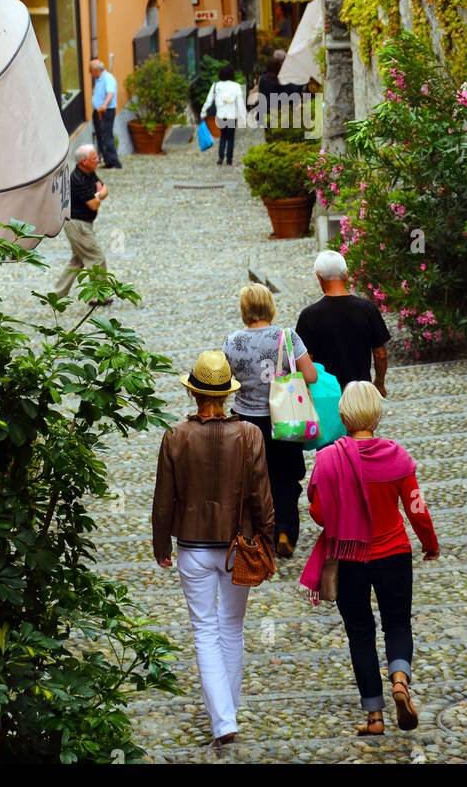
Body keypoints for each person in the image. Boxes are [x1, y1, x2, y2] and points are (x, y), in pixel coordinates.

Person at [300, 381, 440, 736]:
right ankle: (399, 679)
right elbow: (416, 508)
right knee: (397, 623)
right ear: (376, 414)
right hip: (394, 553)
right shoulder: (397, 456)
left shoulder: (329, 458)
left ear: (343, 415)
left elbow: (318, 513)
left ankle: (374, 718)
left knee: (360, 633)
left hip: (349, 558)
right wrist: (429, 543)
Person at [152, 350, 274, 746]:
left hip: (192, 546)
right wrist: (268, 539)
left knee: (205, 630)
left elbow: (163, 499)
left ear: (193, 393)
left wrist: (160, 544)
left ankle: (224, 721)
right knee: (232, 628)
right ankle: (227, 715)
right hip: (239, 545)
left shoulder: (175, 437)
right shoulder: (250, 435)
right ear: (227, 394)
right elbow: (262, 496)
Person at [223, 283, 317, 560]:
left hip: (246, 421)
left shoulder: (232, 341)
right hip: (284, 419)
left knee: (253, 479)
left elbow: (224, 381)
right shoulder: (287, 337)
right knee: (286, 478)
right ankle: (285, 530)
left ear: (244, 310)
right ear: (270, 307)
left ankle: (258, 534)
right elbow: (310, 375)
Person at [296, 251, 391, 397]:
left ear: (319, 277)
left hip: (325, 395)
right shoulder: (367, 309)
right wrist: (379, 382)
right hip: (361, 391)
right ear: (346, 274)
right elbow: (381, 354)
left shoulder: (308, 316)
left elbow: (305, 361)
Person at [54, 144, 110, 297]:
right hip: (78, 225)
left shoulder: (89, 172)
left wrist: (98, 194)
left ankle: (57, 294)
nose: (98, 160)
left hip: (83, 223)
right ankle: (98, 296)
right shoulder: (76, 179)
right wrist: (98, 195)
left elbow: (105, 189)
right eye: (94, 158)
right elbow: (94, 204)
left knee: (77, 261)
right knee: (97, 258)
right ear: (84, 161)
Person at [201, 63, 246, 167]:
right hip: (231, 116)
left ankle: (221, 158)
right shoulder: (236, 86)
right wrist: (243, 118)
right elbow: (240, 104)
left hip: (220, 116)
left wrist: (203, 112)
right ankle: (229, 160)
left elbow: (208, 101)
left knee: (223, 137)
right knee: (230, 138)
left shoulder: (216, 85)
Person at [257, 54, 302, 136]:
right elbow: (290, 93)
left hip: (265, 110)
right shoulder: (281, 80)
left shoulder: (263, 79)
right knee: (278, 135)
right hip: (278, 111)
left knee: (268, 134)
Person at [89, 58, 122, 169]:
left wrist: (104, 104)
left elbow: (110, 93)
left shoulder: (108, 78)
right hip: (98, 111)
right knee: (100, 136)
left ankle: (114, 162)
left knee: (106, 136)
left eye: (91, 71)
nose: (91, 74)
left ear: (96, 70)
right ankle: (108, 161)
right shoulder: (98, 79)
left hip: (106, 111)